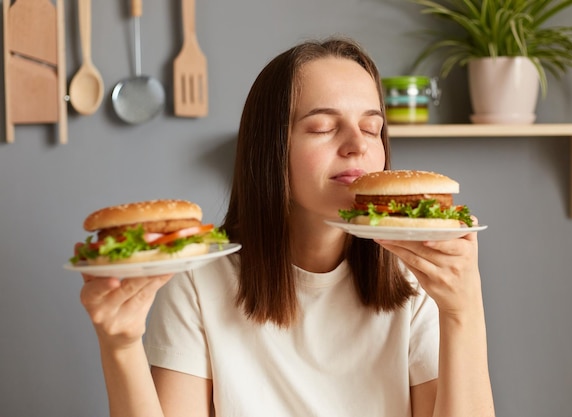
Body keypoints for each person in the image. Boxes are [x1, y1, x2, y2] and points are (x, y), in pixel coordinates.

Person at [80, 37, 495, 417]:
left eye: (372, 128)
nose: (358, 144)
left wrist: (464, 310)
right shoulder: (197, 281)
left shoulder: (418, 275)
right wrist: (120, 347)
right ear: (271, 149)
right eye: (323, 127)